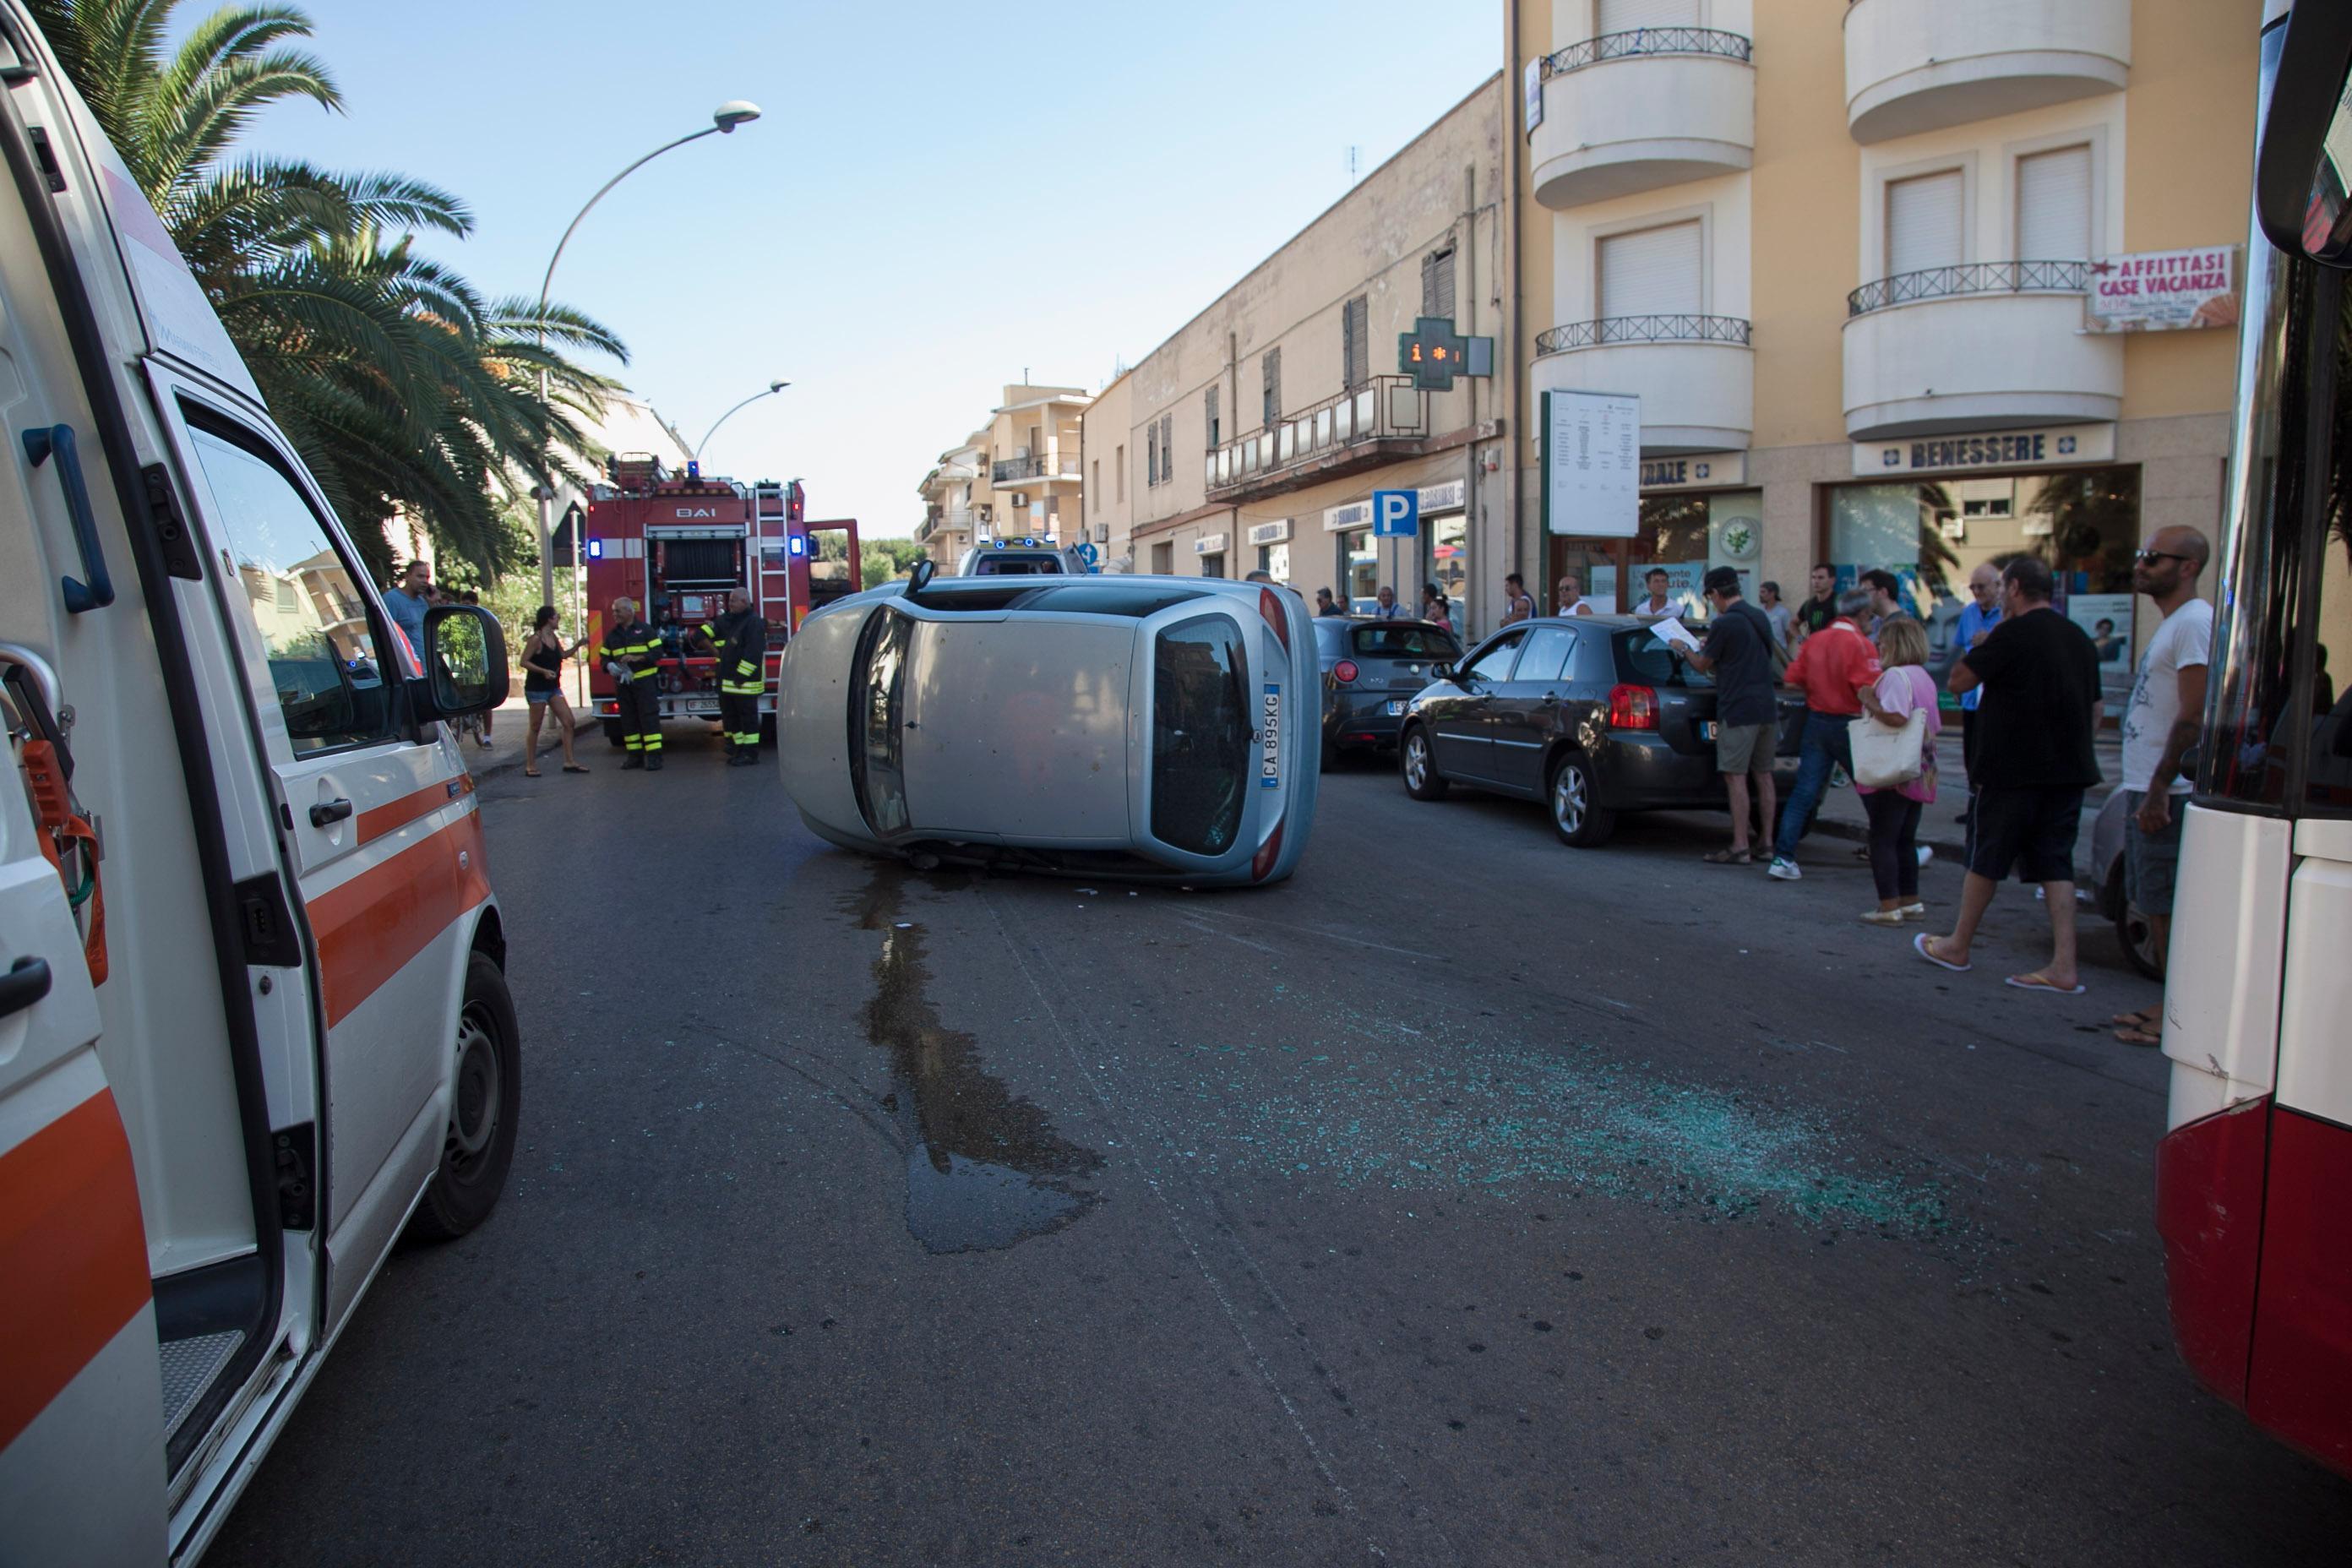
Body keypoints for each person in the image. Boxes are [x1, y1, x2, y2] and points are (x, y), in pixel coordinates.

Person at [1914, 557, 2104, 994]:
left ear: (2015, 588)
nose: (1999, 596)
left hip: (2012, 769)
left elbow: (1960, 681)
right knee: (2057, 863)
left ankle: (1957, 944)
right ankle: (2063, 964)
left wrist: (1983, 645)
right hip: (2068, 771)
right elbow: (2095, 709)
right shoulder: (2078, 638)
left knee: (1987, 857)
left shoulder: (2011, 633)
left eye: (2002, 588)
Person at [2111, 527, 2213, 1045]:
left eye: (2154, 557)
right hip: (2149, 784)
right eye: (2141, 554)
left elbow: (2194, 715)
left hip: (2167, 791)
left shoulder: (2194, 622)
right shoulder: (2176, 624)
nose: (2142, 565)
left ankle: (2179, 1022)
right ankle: (2170, 1003)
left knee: (2166, 903)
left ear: (2188, 567)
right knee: (2153, 902)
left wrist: (2158, 787)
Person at [1768, 586, 1881, 881]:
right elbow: (1867, 689)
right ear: (1863, 614)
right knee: (1871, 788)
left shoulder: (1815, 640)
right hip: (1850, 722)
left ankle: (1783, 857)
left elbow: (1792, 680)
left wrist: (1818, 688)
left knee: (1804, 792)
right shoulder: (1861, 644)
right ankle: (1895, 847)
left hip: (1817, 720)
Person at [1685, 566, 1780, 865]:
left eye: (1710, 596)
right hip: (1767, 706)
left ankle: (1740, 845)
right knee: (1764, 776)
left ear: (1714, 593)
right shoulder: (1759, 616)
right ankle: (1766, 843)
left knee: (1735, 777)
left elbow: (1702, 665)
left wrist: (1683, 648)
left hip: (1738, 708)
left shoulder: (1725, 624)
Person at [1854, 617, 1942, 924]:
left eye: (1883, 641)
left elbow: (1896, 717)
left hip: (1893, 768)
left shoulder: (1894, 676)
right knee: (1905, 838)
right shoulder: (1923, 676)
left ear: (1895, 643)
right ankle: (1910, 900)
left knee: (1883, 838)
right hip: (1920, 766)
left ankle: (1888, 906)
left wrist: (1868, 699)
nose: (1878, 645)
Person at [1952, 562, 2004, 824]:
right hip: (1973, 696)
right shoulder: (1969, 613)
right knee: (1970, 753)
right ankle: (1973, 805)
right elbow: (1963, 649)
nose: (1976, 592)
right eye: (1972, 587)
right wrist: (1959, 682)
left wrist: (1991, 639)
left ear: (1998, 585)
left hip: (1997, 697)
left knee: (1992, 752)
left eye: (1981, 586)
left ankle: (1989, 808)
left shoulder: (2008, 614)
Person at [520, 606, 590, 777]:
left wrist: (579, 644)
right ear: (548, 619)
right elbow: (524, 662)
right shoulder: (535, 640)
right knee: (535, 726)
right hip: (537, 688)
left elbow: (563, 655)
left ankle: (569, 761)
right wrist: (543, 671)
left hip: (553, 687)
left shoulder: (553, 637)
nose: (558, 620)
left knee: (569, 722)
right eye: (556, 617)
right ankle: (530, 765)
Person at [704, 590, 770, 765]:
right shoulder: (736, 620)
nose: (730, 604)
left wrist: (741, 675)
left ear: (744, 601)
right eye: (729, 601)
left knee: (748, 720)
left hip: (744, 684)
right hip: (730, 683)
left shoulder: (753, 622)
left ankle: (750, 753)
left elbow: (753, 653)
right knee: (734, 720)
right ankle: (740, 750)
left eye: (733, 601)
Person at [599, 596, 664, 770]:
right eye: (613, 611)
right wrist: (609, 666)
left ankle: (654, 757)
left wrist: (637, 658)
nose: (615, 614)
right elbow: (603, 658)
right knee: (628, 720)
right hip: (623, 685)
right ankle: (634, 757)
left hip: (644, 683)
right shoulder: (613, 635)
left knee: (649, 719)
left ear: (629, 611)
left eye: (618, 611)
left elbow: (658, 653)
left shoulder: (646, 631)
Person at [384, 559, 430, 661]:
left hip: (427, 667)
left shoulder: (422, 602)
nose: (425, 581)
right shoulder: (392, 599)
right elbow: (387, 635)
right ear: (407, 576)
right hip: (409, 667)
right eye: (420, 576)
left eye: (427, 577)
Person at [1792, 563, 1839, 645]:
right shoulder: (1809, 604)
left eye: (1821, 578)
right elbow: (1793, 623)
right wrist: (1800, 639)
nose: (1816, 581)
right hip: (1814, 653)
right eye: (1813, 578)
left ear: (1832, 581)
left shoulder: (1840, 602)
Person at [1859, 569, 1905, 638]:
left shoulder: (1901, 627)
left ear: (1883, 592)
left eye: (1865, 592)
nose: (1862, 597)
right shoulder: (1875, 623)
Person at [1759, 580, 1792, 649]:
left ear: (1772, 593)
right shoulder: (1760, 611)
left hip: (1778, 652)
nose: (1760, 595)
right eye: (1760, 592)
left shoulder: (1783, 612)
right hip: (1763, 651)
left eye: (1763, 592)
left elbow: (1789, 633)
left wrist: (1783, 647)